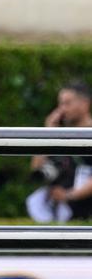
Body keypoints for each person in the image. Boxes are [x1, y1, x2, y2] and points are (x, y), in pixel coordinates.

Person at [26, 80, 92, 222]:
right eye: (60, 103)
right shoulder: (59, 136)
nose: (62, 109)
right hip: (60, 213)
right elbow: (37, 170)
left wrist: (68, 195)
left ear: (85, 104)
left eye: (67, 103)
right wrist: (47, 133)